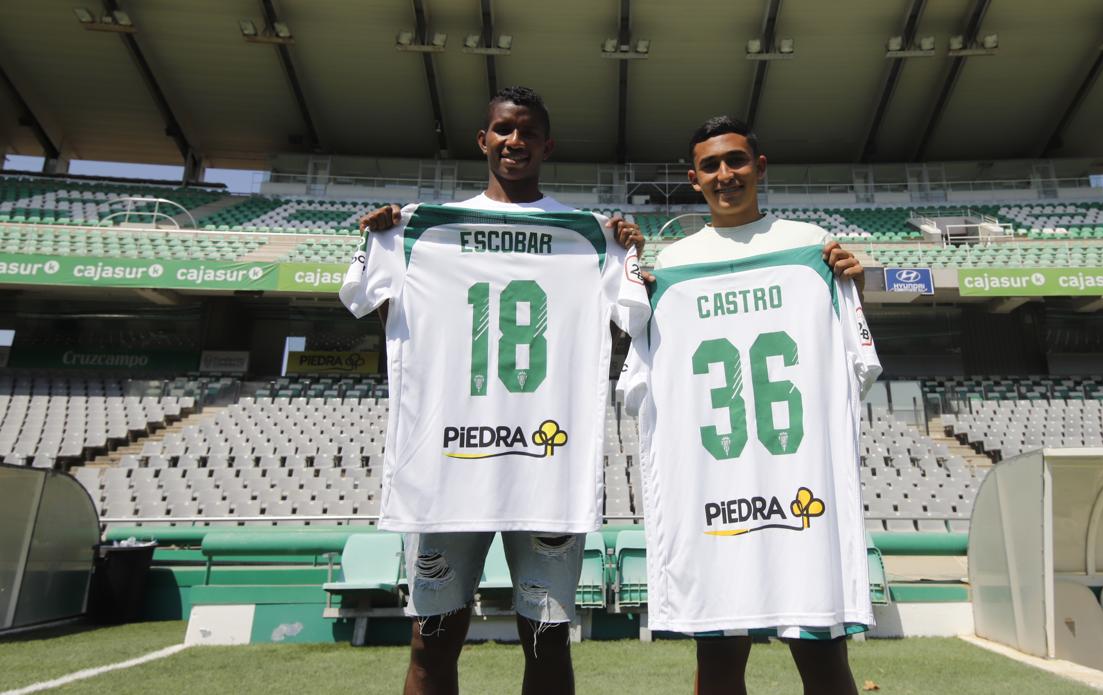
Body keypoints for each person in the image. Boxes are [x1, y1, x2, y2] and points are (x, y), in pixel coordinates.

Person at [356, 86, 644, 695]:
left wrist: (629, 252)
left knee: (547, 643)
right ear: (483, 139)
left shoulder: (590, 237)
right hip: (448, 471)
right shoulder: (420, 232)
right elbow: (386, 319)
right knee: (431, 643)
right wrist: (381, 242)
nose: (516, 141)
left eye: (528, 132)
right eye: (504, 130)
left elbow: (627, 324)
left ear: (547, 144)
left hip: (547, 471)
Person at [650, 115, 871, 695]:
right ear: (693, 179)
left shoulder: (811, 248)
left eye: (736, 161)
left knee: (824, 663)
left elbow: (851, 360)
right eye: (710, 166)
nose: (725, 175)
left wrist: (851, 293)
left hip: (802, 493)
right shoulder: (672, 266)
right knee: (719, 667)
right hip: (715, 495)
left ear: (760, 166)